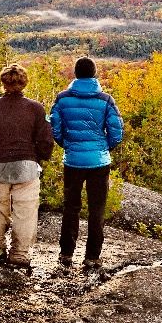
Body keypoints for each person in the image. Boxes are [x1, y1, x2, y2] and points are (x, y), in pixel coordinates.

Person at [0, 63, 54, 270]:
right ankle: (20, 254)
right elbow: (45, 139)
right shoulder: (36, 108)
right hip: (27, 166)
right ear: (24, 82)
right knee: (25, 212)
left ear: (3, 82)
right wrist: (40, 157)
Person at [51, 56, 124, 272]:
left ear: (75, 74)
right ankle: (92, 257)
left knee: (71, 208)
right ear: (94, 74)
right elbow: (117, 131)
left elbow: (54, 126)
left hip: (73, 160)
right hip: (99, 162)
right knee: (97, 209)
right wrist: (104, 148)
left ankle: (66, 254)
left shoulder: (62, 98)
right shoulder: (106, 100)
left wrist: (66, 144)